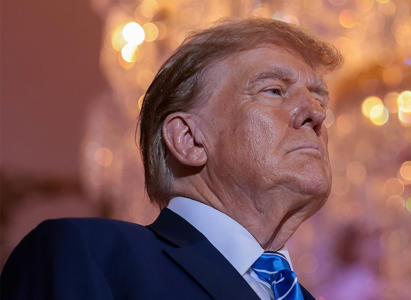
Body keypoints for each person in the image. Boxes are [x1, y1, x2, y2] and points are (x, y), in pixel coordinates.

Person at [0, 18, 342, 300]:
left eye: (319, 100)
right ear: (189, 140)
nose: (315, 113)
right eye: (274, 90)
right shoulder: (89, 257)